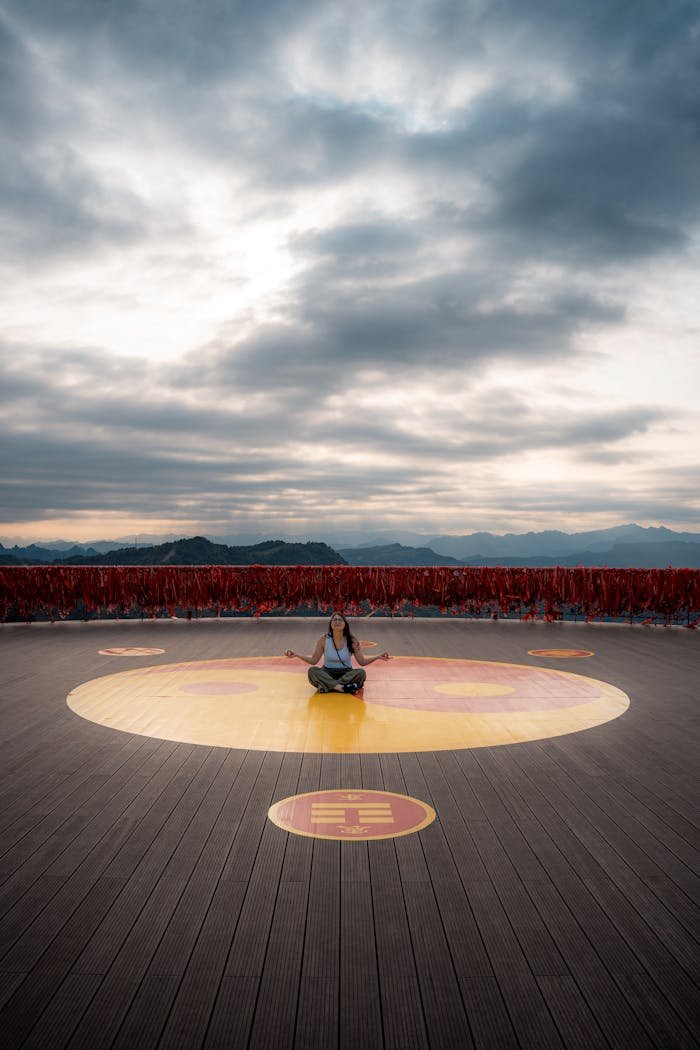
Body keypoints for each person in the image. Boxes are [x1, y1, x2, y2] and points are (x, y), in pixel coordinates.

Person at [284, 611, 390, 694]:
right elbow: (313, 661)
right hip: (327, 672)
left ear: (345, 624)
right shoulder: (324, 639)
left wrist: (378, 657)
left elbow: (362, 661)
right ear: (331, 624)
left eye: (340, 620)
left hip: (346, 673)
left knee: (361, 673)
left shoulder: (352, 640)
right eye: (334, 620)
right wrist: (297, 654)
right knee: (312, 671)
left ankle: (329, 686)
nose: (337, 621)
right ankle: (342, 688)